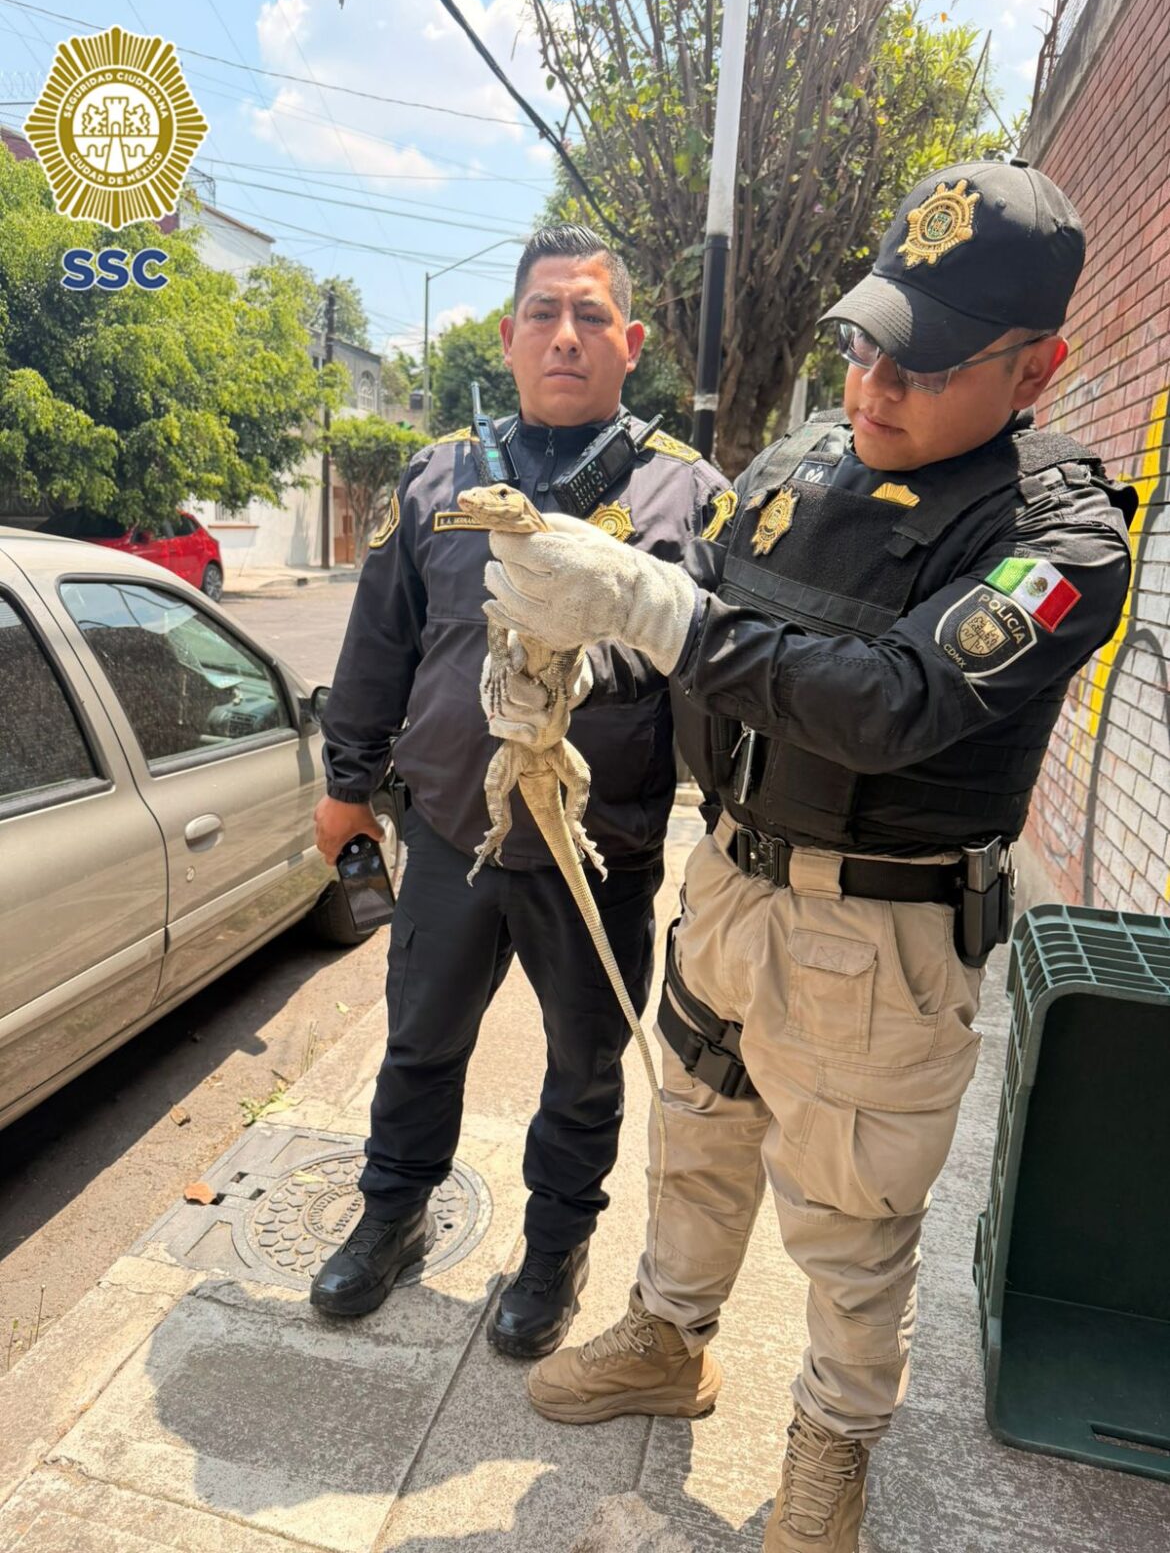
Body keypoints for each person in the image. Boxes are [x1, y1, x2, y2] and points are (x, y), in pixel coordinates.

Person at [481, 163, 1135, 1549]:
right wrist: (573, 658)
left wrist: (650, 607)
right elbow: (701, 630)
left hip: (881, 936)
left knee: (850, 1217)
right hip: (729, 877)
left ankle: (832, 1443)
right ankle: (666, 1337)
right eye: (863, 340)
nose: (873, 385)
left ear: (1036, 366)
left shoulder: (1060, 535)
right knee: (697, 1132)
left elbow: (895, 701)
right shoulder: (792, 469)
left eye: (926, 360)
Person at [310, 224, 730, 1360]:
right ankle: (393, 1216)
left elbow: (718, 666)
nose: (565, 335)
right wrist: (349, 783)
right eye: (544, 313)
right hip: (453, 829)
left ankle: (553, 1253)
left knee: (584, 1066)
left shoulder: (685, 495)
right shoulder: (444, 472)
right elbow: (380, 641)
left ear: (630, 342)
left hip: (600, 852)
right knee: (420, 1041)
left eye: (591, 316)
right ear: (507, 335)